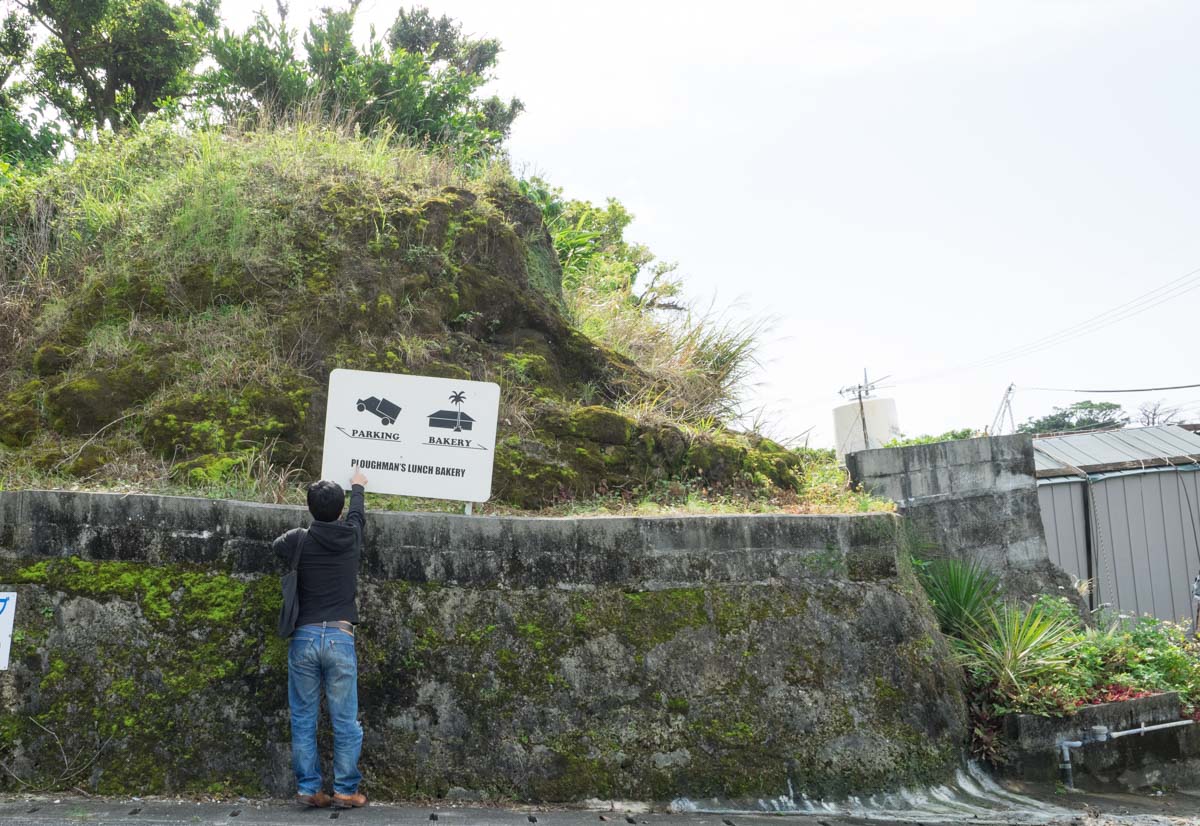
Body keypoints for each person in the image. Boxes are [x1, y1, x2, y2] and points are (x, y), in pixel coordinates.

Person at [273, 468, 370, 809]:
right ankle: (345, 790)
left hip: (305, 638)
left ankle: (310, 788)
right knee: (345, 720)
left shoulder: (299, 538)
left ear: (311, 509)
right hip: (340, 638)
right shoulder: (351, 536)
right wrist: (357, 486)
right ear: (341, 509)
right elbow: (358, 514)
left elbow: (276, 547)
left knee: (303, 717)